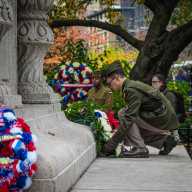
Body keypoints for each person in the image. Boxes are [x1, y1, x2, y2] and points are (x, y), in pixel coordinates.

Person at [101, 61, 179, 158]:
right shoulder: (129, 85)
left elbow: (128, 120)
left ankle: (140, 148)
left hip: (163, 118)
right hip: (162, 116)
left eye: (109, 83)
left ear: (117, 77)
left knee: (124, 114)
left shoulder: (130, 89)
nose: (109, 87)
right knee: (131, 130)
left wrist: (110, 145)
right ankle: (165, 140)